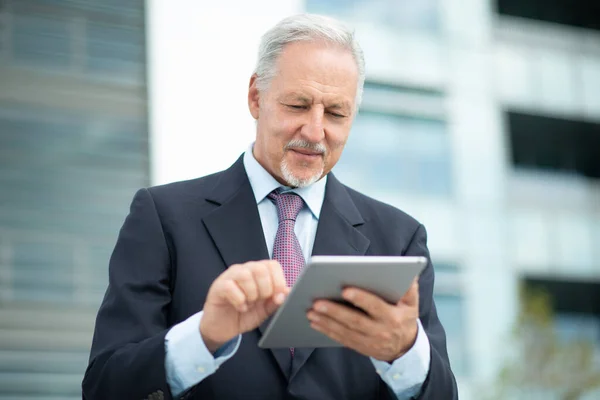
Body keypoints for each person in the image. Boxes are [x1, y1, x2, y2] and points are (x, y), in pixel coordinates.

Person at [82, 13, 458, 400]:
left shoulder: (398, 238)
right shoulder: (163, 218)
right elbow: (104, 387)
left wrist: (405, 353)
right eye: (297, 105)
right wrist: (203, 336)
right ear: (256, 97)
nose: (315, 132)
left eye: (335, 113)